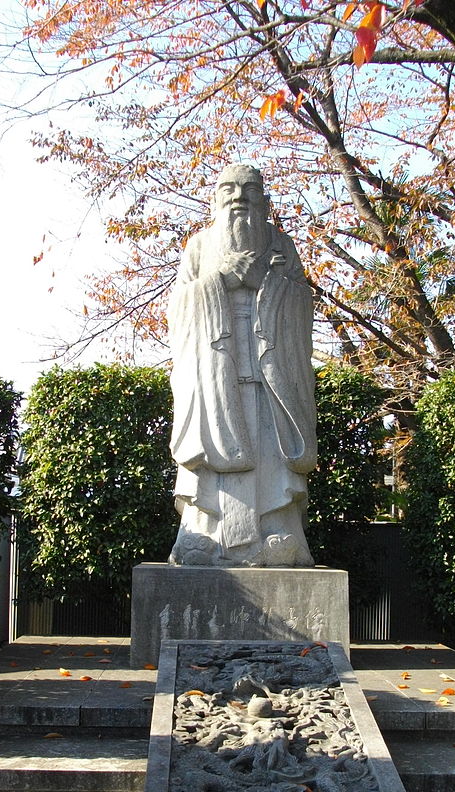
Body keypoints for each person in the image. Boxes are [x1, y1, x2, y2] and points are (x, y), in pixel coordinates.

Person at [167, 163, 317, 567]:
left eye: (249, 191)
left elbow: (303, 306)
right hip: (215, 373)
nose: (238, 198)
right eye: (229, 190)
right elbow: (178, 308)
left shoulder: (282, 245)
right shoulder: (199, 246)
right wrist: (221, 281)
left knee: (272, 453)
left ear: (265, 203)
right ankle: (202, 536)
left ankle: (278, 531)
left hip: (271, 376)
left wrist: (267, 285)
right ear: (215, 200)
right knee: (212, 452)